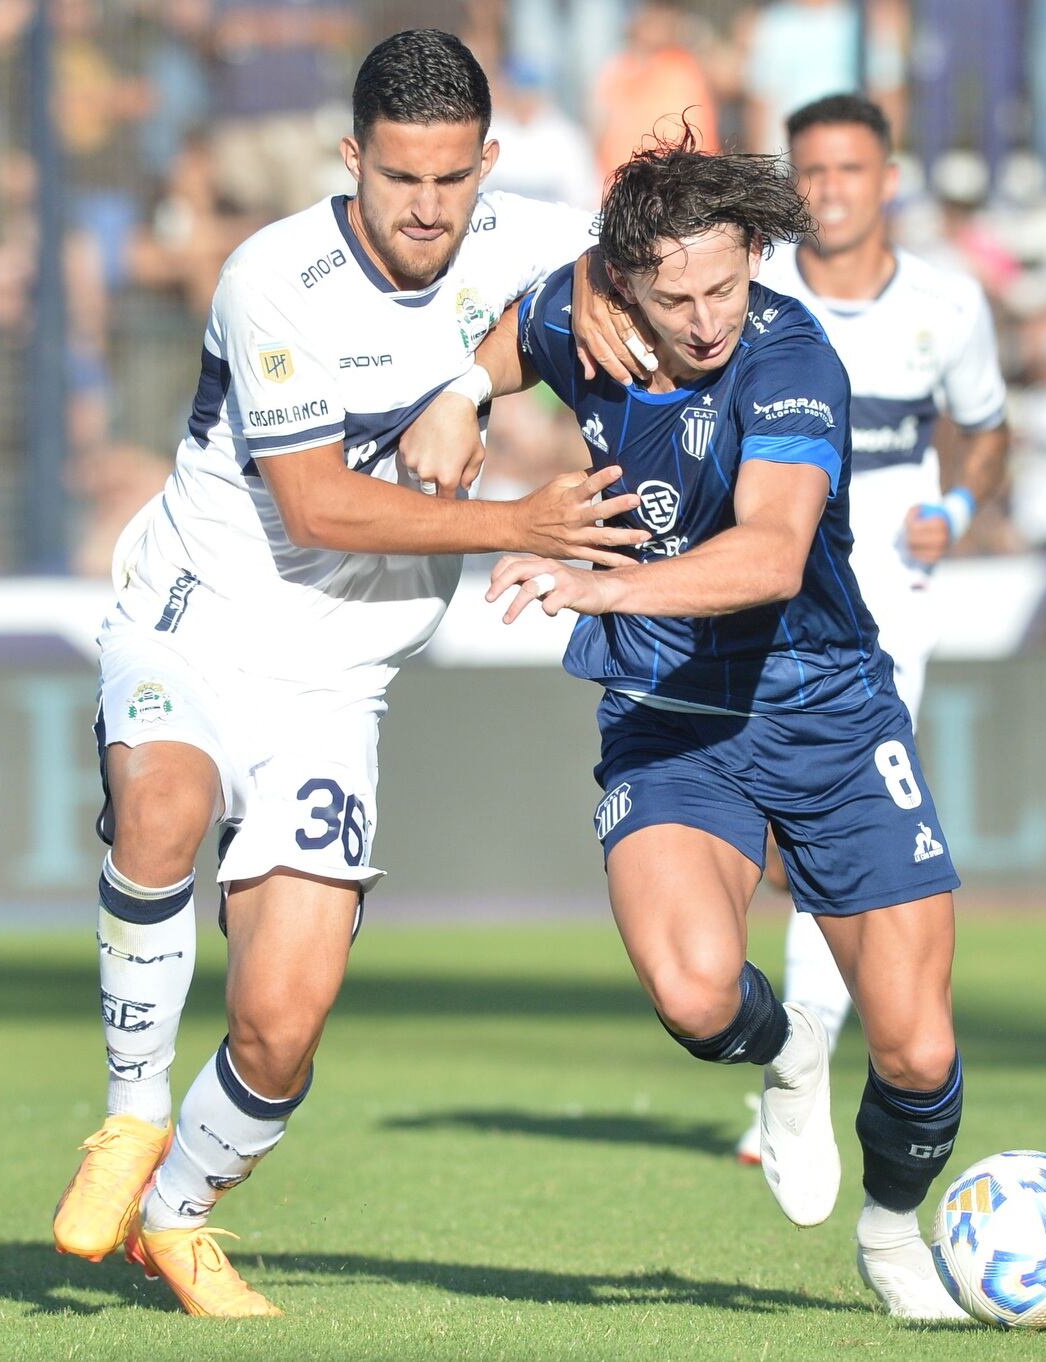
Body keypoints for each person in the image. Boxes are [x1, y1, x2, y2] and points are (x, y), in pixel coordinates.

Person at [48, 29, 652, 1317]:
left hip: (336, 684)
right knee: (160, 803)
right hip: (196, 620)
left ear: (486, 163)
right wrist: (520, 517)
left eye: (451, 182)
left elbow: (643, 259)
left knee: (283, 1023)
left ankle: (178, 1217)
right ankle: (129, 1117)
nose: (428, 212)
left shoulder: (516, 237)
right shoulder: (273, 278)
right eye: (398, 182)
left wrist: (507, 362)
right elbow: (319, 508)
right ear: (350, 161)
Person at [474, 134, 971, 1321]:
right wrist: (456, 394)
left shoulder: (789, 356)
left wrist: (603, 584)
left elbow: (770, 552)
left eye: (724, 285)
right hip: (669, 718)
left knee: (916, 1054)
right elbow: (486, 342)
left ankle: (894, 1232)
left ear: (754, 252)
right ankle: (788, 1050)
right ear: (623, 280)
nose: (705, 319)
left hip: (827, 710)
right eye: (675, 295)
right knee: (697, 995)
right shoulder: (577, 313)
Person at [730, 92, 1006, 1166]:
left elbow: (985, 429)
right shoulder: (752, 302)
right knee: (768, 831)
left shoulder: (946, 306)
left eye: (850, 170)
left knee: (837, 818)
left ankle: (797, 1061)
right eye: (812, 172)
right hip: (774, 561)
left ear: (887, 180)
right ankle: (789, 1054)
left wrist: (961, 509)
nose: (830, 191)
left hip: (887, 580)